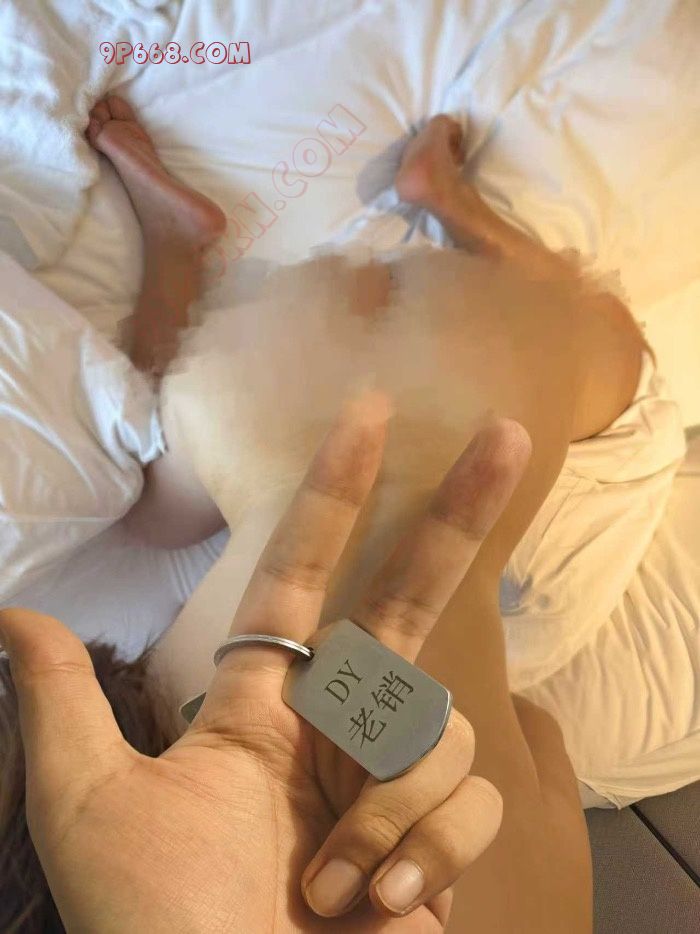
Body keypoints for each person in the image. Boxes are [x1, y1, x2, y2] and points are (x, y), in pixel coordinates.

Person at [0, 95, 681, 931]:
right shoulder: (99, 853)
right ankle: (225, 234)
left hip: (460, 372)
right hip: (280, 371)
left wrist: (452, 690)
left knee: (610, 344)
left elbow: (539, 736)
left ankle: (431, 205)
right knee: (153, 514)